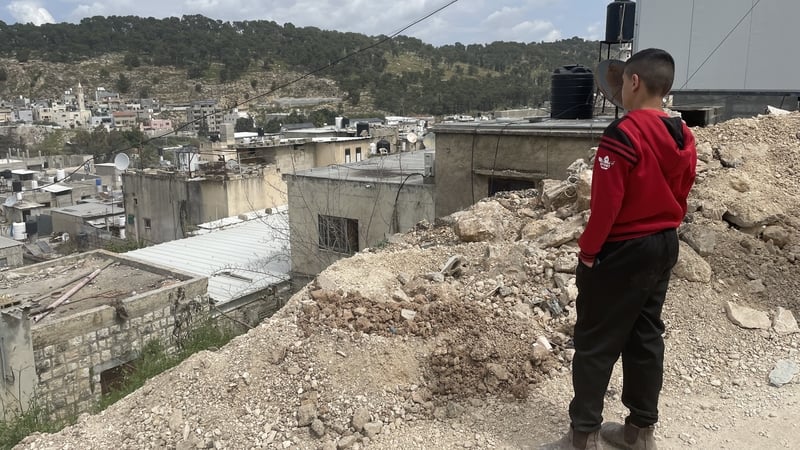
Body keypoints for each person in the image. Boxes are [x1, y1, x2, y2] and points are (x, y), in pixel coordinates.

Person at [547, 48, 697, 450]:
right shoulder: (684, 134)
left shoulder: (623, 135)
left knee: (596, 339)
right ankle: (639, 432)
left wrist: (589, 252)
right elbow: (682, 193)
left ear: (634, 82)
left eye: (622, 83)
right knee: (645, 335)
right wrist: (663, 225)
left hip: (623, 247)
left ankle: (583, 437)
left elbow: (607, 206)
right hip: (664, 243)